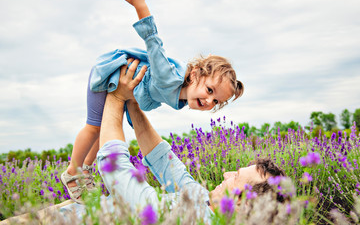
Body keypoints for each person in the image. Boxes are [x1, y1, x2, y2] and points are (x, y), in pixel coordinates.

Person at [61, 0, 245, 203]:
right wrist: (141, 6)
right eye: (210, 91)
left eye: (216, 102)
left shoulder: (180, 100)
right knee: (93, 126)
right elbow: (153, 43)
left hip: (121, 84)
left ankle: (84, 171)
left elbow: (139, 98)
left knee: (101, 129)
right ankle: (73, 171)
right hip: (110, 72)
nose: (208, 101)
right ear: (194, 74)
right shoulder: (170, 77)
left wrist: (130, 104)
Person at [60, 59, 284, 223]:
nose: (226, 174)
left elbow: (127, 189)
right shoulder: (206, 200)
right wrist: (132, 101)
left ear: (242, 203)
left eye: (235, 177)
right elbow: (164, 162)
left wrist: (117, 95)